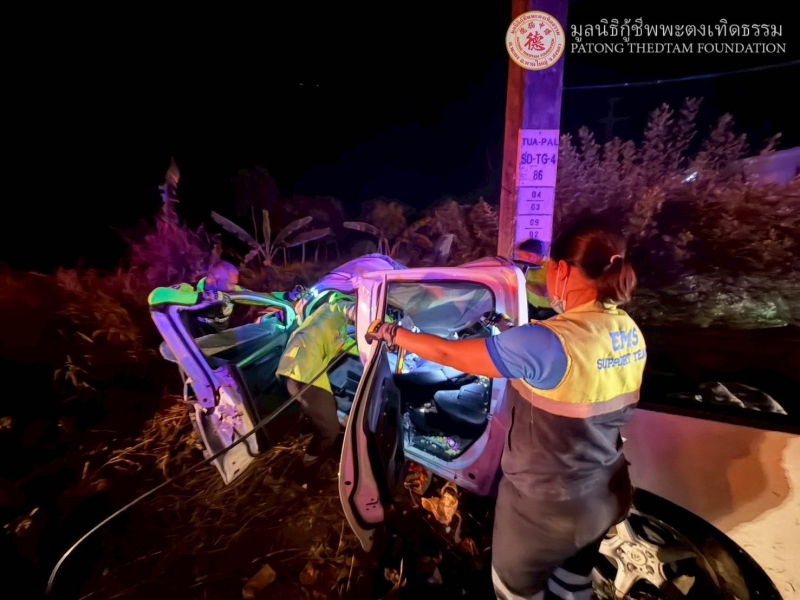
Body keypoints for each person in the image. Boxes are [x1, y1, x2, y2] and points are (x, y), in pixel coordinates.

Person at [366, 217, 645, 600]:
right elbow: (551, 354)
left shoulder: (546, 342)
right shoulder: (628, 330)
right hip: (605, 495)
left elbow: (447, 353)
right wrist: (506, 327)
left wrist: (392, 333)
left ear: (563, 271)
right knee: (574, 585)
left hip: (545, 513)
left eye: (549, 270)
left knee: (514, 592)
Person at [276, 292, 359, 467]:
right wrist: (387, 326)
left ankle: (303, 462)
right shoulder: (333, 308)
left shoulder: (339, 325)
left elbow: (344, 344)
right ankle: (305, 472)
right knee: (330, 431)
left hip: (303, 371)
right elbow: (353, 311)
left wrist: (373, 352)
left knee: (325, 419)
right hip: (302, 371)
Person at [516, 238, 556, 321]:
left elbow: (544, 292)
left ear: (531, 256)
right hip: (531, 308)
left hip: (547, 312)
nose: (518, 259)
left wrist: (521, 282)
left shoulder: (551, 268)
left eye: (520, 256)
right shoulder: (529, 266)